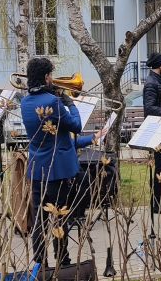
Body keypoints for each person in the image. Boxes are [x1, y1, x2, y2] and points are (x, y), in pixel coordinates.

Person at [21, 57, 106, 266]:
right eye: (51, 75)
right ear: (46, 77)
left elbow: (59, 137)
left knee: (40, 220)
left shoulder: (25, 102)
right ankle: (63, 260)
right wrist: (69, 102)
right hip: (57, 170)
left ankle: (40, 263)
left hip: (37, 170)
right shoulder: (53, 102)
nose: (53, 78)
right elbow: (76, 125)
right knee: (60, 218)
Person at [143, 52, 161, 215]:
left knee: (160, 167)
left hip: (159, 129)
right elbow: (149, 108)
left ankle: (159, 200)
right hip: (154, 130)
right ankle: (155, 204)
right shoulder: (150, 84)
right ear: (160, 66)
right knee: (158, 168)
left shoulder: (157, 80)